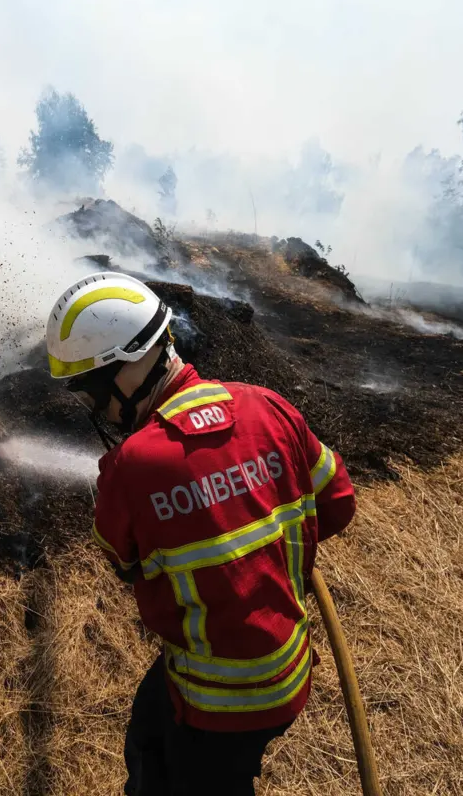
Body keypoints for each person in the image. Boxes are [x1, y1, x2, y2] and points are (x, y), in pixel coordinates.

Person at [45, 271, 357, 795]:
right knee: (149, 727)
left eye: (92, 392)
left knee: (182, 777)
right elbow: (339, 504)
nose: (94, 409)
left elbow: (125, 563)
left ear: (127, 372)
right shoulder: (269, 406)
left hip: (217, 700)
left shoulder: (131, 466)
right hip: (288, 666)